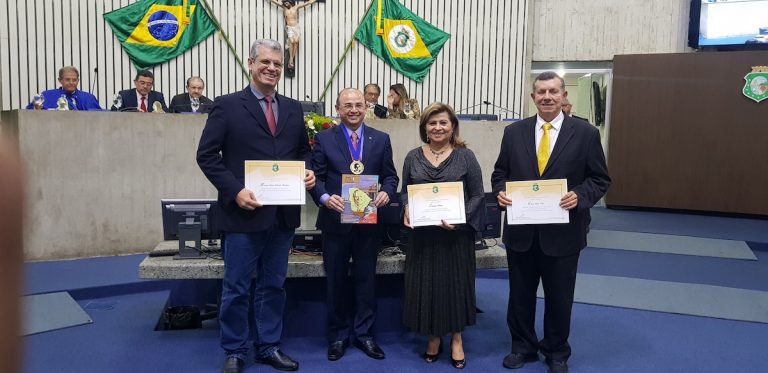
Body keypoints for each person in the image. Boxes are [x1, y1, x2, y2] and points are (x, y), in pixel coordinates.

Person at [197, 39, 315, 373]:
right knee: (236, 287)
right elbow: (206, 155)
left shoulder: (293, 108)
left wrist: (306, 170)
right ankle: (235, 349)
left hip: (282, 215)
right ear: (250, 63)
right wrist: (234, 191)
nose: (272, 69)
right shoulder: (227, 105)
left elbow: (303, 150)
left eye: (277, 64)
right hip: (243, 214)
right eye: (265, 62)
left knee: (273, 285)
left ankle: (268, 346)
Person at [491, 71, 610, 373]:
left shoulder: (585, 134)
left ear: (563, 96)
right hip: (522, 233)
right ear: (533, 97)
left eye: (553, 92)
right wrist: (501, 193)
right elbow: (500, 174)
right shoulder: (514, 132)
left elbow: (599, 179)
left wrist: (580, 196)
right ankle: (523, 347)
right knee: (520, 295)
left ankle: (557, 351)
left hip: (564, 233)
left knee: (559, 297)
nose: (547, 97)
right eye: (541, 92)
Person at [309, 88, 399, 362]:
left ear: (366, 107)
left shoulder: (381, 139)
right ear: (337, 109)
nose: (354, 109)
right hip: (335, 221)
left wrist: (387, 192)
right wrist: (324, 198)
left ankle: (365, 335)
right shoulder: (324, 139)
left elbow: (391, 177)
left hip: (368, 222)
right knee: (335, 281)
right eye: (347, 105)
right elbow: (316, 178)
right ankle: (337, 336)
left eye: (359, 105)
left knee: (366, 281)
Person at [400, 102, 485, 370]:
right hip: (423, 238)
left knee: (455, 285)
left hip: (455, 237)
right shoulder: (413, 156)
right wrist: (405, 208)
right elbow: (405, 191)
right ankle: (434, 336)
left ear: (452, 127)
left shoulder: (466, 157)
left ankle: (457, 338)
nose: (437, 127)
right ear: (424, 127)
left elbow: (478, 195)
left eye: (443, 123)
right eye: (432, 123)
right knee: (427, 285)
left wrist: (459, 221)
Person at [269, 0, 318, 70]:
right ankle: (291, 59)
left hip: (296, 27)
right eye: (284, 3)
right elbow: (275, 2)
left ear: (290, 2)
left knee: (296, 42)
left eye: (287, 2)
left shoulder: (296, 7)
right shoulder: (284, 8)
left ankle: (291, 59)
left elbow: (307, 3)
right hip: (289, 27)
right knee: (291, 41)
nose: (286, 4)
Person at [26, 66, 102, 110]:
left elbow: (99, 117)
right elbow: (28, 112)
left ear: (78, 81)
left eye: (74, 80)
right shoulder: (47, 96)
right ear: (60, 80)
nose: (71, 83)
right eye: (67, 80)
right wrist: (35, 108)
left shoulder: (88, 98)